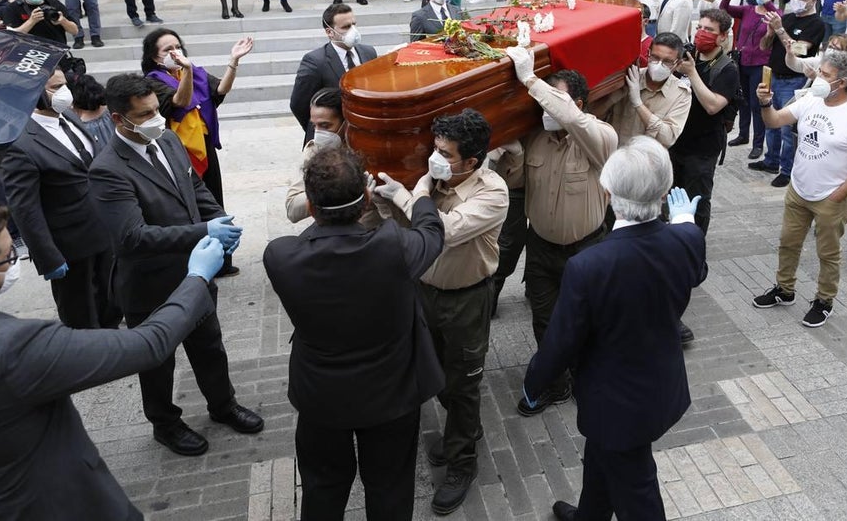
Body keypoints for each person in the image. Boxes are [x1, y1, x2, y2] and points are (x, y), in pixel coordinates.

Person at [0, 202, 228, 521]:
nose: (14, 263)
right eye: (8, 257)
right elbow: (149, 344)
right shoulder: (12, 347)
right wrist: (196, 277)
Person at [522, 138, 707, 521]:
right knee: (602, 458)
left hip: (617, 402)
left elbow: (563, 341)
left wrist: (534, 382)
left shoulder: (590, 265)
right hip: (657, 383)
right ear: (662, 194)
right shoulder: (686, 238)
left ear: (606, 193)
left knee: (637, 491)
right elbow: (695, 268)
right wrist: (686, 223)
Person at [263, 146, 445, 520]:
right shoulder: (393, 247)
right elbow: (432, 233)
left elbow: (315, 232)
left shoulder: (280, 256)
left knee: (323, 487)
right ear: (365, 200)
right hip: (391, 395)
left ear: (311, 208)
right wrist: (422, 195)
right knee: (390, 487)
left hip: (320, 398)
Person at [87, 74, 261, 455]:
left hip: (193, 275)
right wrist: (203, 231)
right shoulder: (107, 170)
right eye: (145, 114)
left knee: (209, 347)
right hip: (149, 285)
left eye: (156, 110)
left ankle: (223, 405)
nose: (156, 119)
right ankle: (165, 424)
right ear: (119, 119)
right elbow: (131, 238)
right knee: (157, 362)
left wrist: (221, 221)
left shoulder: (166, 139)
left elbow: (194, 187)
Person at [371, 110, 508, 514]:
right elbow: (406, 230)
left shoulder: (492, 193)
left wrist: (406, 194)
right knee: (436, 376)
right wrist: (389, 201)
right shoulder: (431, 182)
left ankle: (462, 464)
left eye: (445, 153)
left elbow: (441, 231)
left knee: (464, 385)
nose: (435, 158)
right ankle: (462, 433)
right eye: (435, 148)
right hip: (424, 293)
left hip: (466, 299)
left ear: (472, 161)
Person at [499, 47, 618, 415]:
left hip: (587, 249)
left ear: (579, 103)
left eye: (557, 103)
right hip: (541, 248)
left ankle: (589, 377)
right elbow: (515, 181)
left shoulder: (600, 135)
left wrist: (531, 79)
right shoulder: (536, 138)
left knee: (590, 320)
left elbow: (575, 121)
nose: (548, 111)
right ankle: (555, 383)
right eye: (544, 105)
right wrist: (512, 153)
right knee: (545, 321)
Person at [753, 50, 847, 327]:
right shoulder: (811, 98)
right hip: (798, 189)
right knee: (788, 243)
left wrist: (839, 195)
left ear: (842, 82)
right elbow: (774, 121)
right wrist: (766, 103)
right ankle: (784, 290)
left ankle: (824, 300)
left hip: (831, 197)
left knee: (828, 253)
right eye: (819, 71)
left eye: (825, 75)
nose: (818, 78)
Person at [0, 67, 119, 329]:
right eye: (54, 88)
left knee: (111, 303)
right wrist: (48, 257)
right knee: (81, 314)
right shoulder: (19, 143)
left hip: (104, 232)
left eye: (63, 84)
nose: (63, 92)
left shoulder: (71, 118)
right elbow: (25, 208)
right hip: (70, 246)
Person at [141, 28, 254, 276]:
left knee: (213, 200)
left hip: (203, 146)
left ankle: (222, 260)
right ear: (155, 57)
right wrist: (188, 72)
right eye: (167, 50)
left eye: (177, 47)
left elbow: (220, 90)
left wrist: (233, 61)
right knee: (190, 206)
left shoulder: (194, 72)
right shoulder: (153, 81)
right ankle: (196, 260)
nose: (175, 52)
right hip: (178, 149)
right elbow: (179, 102)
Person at [669, 8, 738, 234]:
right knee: (672, 197)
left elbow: (712, 105)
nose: (701, 33)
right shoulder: (690, 58)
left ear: (722, 36)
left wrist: (691, 74)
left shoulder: (727, 69)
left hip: (703, 149)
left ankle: (694, 242)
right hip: (677, 141)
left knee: (696, 201)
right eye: (699, 28)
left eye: (709, 30)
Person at [755, 0, 826, 186]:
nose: (797, 0)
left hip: (794, 79)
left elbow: (800, 50)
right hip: (773, 75)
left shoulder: (816, 24)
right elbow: (763, 46)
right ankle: (771, 160)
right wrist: (770, 33)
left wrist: (779, 29)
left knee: (787, 128)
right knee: (770, 122)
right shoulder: (786, 18)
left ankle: (787, 170)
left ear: (813, 0)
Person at [290, 4, 378, 143]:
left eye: (354, 24)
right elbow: (298, 104)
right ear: (329, 32)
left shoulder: (368, 52)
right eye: (346, 27)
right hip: (331, 142)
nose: (353, 31)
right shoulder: (315, 61)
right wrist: (322, 128)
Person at [598, 32, 692, 149]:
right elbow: (595, 115)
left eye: (667, 61)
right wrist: (614, 97)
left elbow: (668, 137)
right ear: (648, 54)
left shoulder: (681, 94)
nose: (659, 64)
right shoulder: (630, 77)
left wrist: (638, 103)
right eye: (655, 57)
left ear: (677, 63)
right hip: (614, 155)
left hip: (646, 162)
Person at [723, 0, 781, 159]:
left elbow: (780, 18)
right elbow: (724, 10)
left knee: (757, 104)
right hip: (743, 62)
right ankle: (742, 134)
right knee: (744, 101)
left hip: (760, 64)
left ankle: (758, 143)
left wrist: (767, 2)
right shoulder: (748, 10)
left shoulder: (773, 13)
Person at [284, 88, 345, 223]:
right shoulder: (313, 151)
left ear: (346, 122)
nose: (318, 133)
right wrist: (332, 187)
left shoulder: (365, 148)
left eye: (325, 126)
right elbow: (292, 209)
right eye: (314, 126)